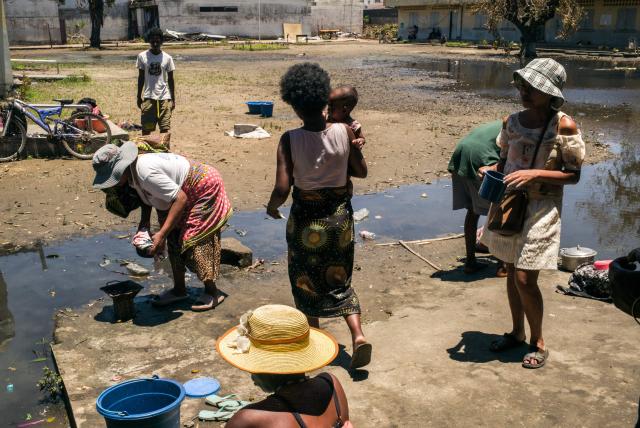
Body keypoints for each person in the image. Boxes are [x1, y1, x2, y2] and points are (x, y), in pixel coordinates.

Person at [266, 63, 372, 369]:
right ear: (324, 100)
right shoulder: (344, 131)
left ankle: (314, 337)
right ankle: (358, 334)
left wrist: (272, 207)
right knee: (339, 276)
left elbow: (282, 187)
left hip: (305, 220)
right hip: (339, 217)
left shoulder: (289, 139)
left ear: (296, 106)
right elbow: (362, 172)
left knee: (304, 277)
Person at [481, 58, 586, 369]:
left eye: (535, 88)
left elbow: (573, 175)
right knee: (512, 272)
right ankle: (516, 332)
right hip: (509, 205)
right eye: (524, 85)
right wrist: (491, 171)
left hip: (542, 209)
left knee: (526, 277)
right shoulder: (510, 122)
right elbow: (504, 163)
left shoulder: (563, 125)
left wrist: (534, 174)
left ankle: (537, 341)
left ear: (550, 92)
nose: (525, 92)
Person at [92, 142, 232, 311]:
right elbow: (146, 198)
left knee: (193, 240)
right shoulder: (131, 175)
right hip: (178, 193)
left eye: (112, 177)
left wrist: (161, 234)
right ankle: (179, 290)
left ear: (121, 168)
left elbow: (180, 199)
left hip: (203, 186)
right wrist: (144, 225)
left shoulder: (145, 173)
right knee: (173, 239)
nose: (112, 183)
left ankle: (213, 291)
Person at [217, 304, 352, 428]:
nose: (251, 375)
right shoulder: (331, 384)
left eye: (252, 366)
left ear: (267, 366)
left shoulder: (249, 418)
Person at [447, 120, 506, 275]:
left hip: (460, 153)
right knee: (499, 210)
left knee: (473, 211)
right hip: (480, 158)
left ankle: (470, 261)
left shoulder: (506, 123)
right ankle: (502, 266)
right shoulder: (519, 128)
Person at [136, 27, 176, 136]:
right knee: (146, 128)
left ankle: (164, 151)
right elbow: (141, 78)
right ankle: (146, 151)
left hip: (165, 97)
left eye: (157, 40)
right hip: (149, 97)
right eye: (152, 40)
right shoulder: (142, 56)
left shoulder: (168, 58)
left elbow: (171, 80)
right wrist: (138, 96)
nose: (155, 43)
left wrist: (173, 99)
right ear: (149, 41)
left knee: (164, 128)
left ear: (161, 41)